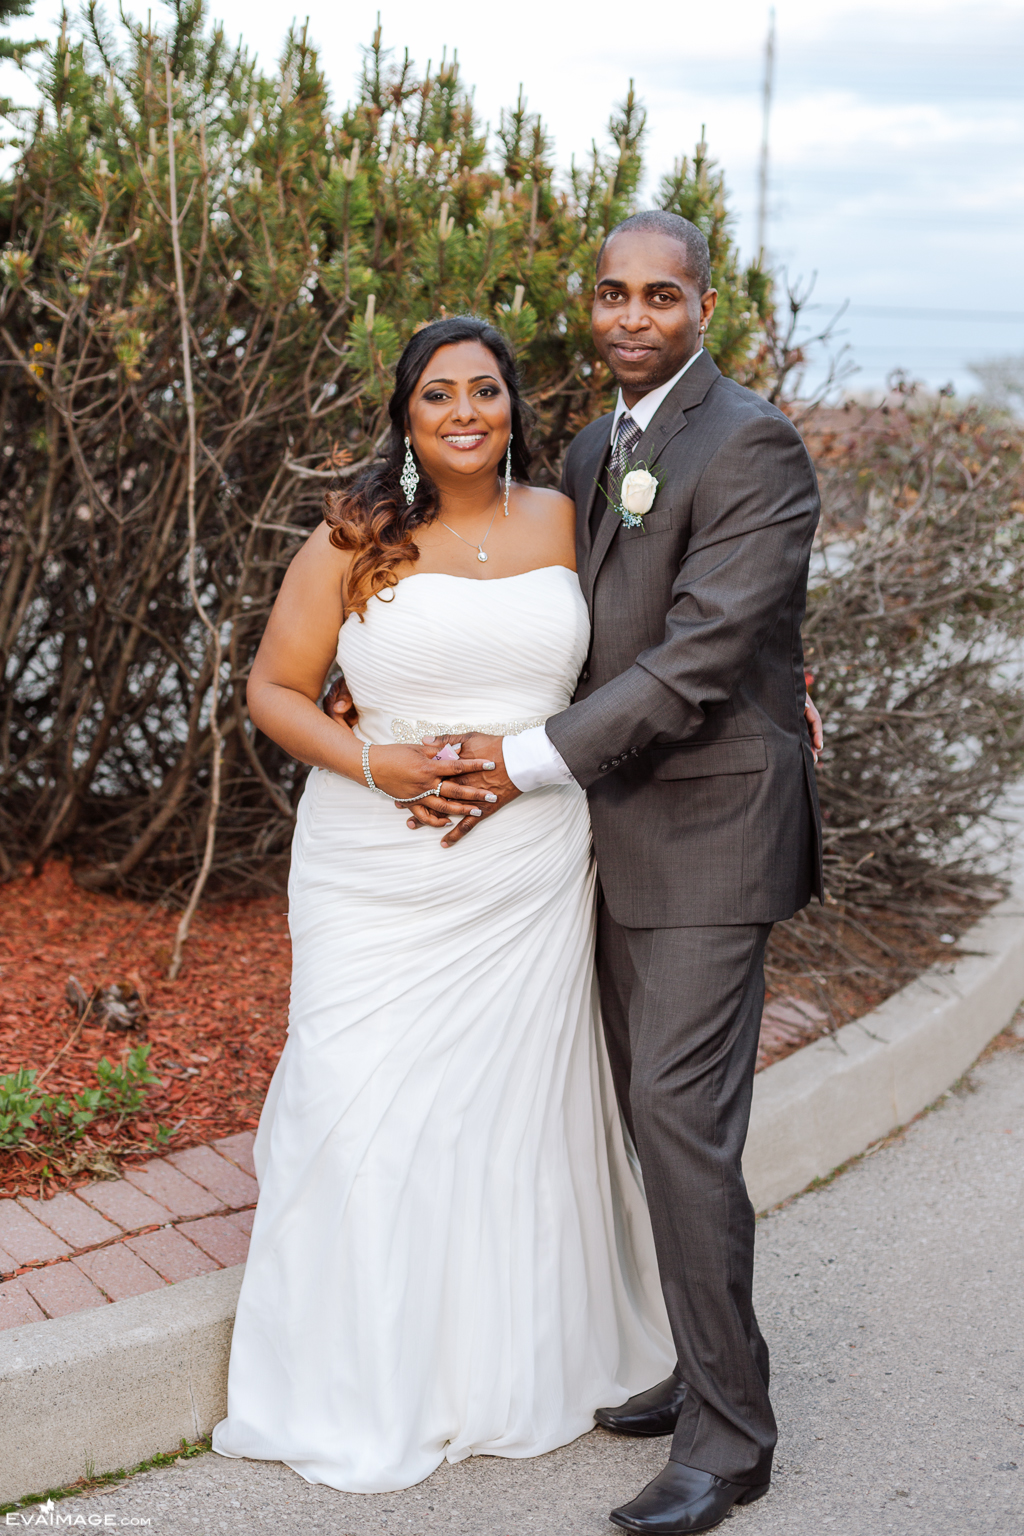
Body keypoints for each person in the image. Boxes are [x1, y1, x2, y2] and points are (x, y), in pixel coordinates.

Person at [211, 315, 678, 1493]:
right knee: (354, 1101)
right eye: (437, 396)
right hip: (376, 866)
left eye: (485, 391)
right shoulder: (353, 532)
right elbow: (276, 687)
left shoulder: (571, 522)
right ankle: (357, 1376)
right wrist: (383, 765)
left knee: (506, 1117)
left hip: (526, 864)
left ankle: (500, 1364)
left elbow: (662, 649)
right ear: (405, 415)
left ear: (514, 406)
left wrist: (793, 686)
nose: (464, 413)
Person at [418, 211, 824, 1535]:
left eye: (660, 295)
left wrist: (525, 759)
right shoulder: (598, 446)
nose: (631, 317)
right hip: (605, 834)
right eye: (611, 294)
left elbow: (701, 656)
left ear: (705, 304)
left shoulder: (750, 441)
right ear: (588, 304)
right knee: (648, 1120)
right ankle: (707, 1366)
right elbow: (587, 635)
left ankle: (732, 1438)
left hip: (709, 833)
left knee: (681, 1127)